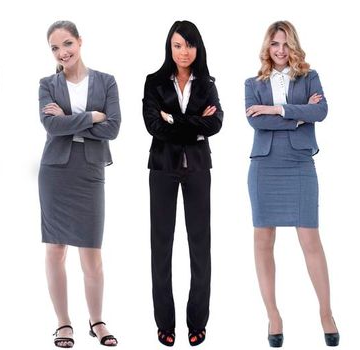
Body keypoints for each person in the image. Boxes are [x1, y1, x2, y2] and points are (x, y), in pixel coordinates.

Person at [243, 20, 338, 348]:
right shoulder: (252, 83)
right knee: (263, 240)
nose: (280, 50)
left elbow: (322, 111)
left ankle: (326, 313)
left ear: (293, 45)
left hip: (299, 164)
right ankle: (274, 315)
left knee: (310, 239)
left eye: (285, 44)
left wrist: (276, 109)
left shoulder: (309, 77)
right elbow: (255, 121)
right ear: (267, 48)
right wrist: (299, 116)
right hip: (264, 166)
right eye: (274, 44)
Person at [37, 20, 121, 348]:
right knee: (56, 249)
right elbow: (50, 125)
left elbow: (113, 128)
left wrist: (70, 120)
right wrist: (92, 117)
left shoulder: (106, 81)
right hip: (55, 171)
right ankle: (63, 323)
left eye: (67, 44)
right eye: (55, 48)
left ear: (80, 42)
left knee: (91, 253)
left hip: (90, 171)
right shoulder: (47, 84)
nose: (63, 52)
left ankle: (97, 320)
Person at [141, 20, 222, 347]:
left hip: (198, 168)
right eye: (177, 45)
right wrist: (194, 124)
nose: (184, 52)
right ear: (169, 47)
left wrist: (173, 119)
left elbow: (215, 123)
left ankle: (197, 321)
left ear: (197, 47)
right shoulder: (154, 82)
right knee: (161, 247)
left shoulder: (207, 83)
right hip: (162, 167)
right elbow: (152, 126)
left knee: (200, 246)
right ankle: (165, 322)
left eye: (189, 45)